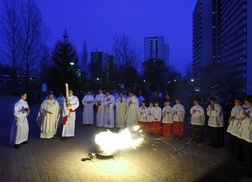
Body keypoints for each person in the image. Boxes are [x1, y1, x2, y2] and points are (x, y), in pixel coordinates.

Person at [239, 96, 252, 177]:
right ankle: (247, 168)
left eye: (247, 103)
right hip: (245, 136)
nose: (246, 104)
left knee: (250, 155)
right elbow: (243, 121)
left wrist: (246, 117)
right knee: (247, 155)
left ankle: (250, 172)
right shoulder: (248, 110)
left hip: (250, 137)